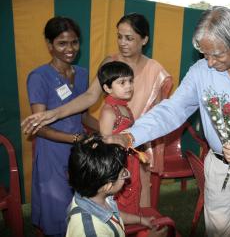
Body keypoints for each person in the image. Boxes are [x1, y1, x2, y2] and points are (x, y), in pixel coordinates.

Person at [107, 6, 230, 237]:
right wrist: (131, 135)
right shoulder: (201, 71)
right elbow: (172, 110)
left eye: (217, 55)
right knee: (216, 231)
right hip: (216, 166)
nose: (209, 63)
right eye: (204, 54)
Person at [22, 13, 173, 208]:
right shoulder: (109, 62)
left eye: (129, 38)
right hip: (110, 146)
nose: (122, 43)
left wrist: (137, 140)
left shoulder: (156, 71)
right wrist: (53, 113)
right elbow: (89, 97)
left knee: (137, 196)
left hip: (138, 144)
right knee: (108, 200)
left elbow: (159, 116)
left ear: (144, 39)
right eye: (119, 36)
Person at [26, 16, 98, 236]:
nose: (70, 49)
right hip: (53, 154)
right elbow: (39, 127)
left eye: (74, 42)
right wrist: (75, 139)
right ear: (49, 45)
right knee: (57, 211)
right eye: (62, 43)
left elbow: (83, 116)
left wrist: (109, 130)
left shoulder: (83, 73)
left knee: (81, 209)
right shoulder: (39, 77)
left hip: (79, 153)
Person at [67, 134, 167, 237]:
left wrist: (141, 220)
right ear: (108, 186)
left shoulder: (95, 196)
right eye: (123, 173)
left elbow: (113, 214)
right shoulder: (91, 231)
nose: (127, 174)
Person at [97, 61, 144, 215]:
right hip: (118, 167)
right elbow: (105, 144)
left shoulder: (125, 107)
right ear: (107, 88)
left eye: (130, 81)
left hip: (131, 162)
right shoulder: (109, 112)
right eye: (122, 82)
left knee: (133, 195)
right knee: (119, 203)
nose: (129, 86)